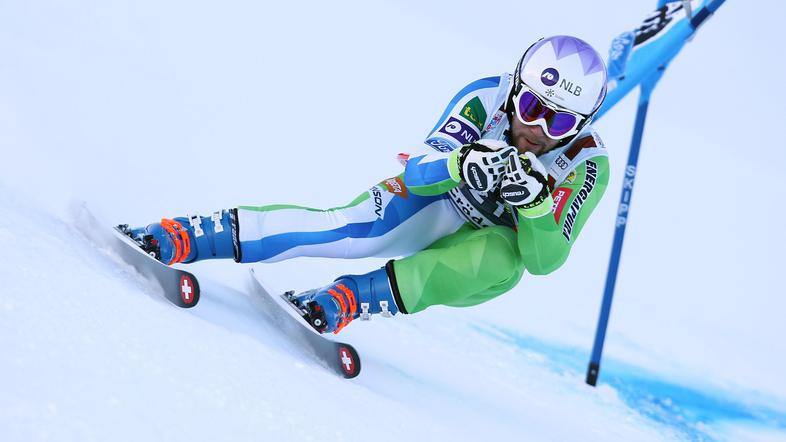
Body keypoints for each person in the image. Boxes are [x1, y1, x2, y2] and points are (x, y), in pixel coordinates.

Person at [128, 35, 611, 334]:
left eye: (559, 123)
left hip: (487, 241)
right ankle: (191, 234)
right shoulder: (488, 94)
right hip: (438, 199)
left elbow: (546, 261)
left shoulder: (587, 164)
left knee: (504, 264)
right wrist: (461, 164)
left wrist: (535, 206)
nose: (537, 132)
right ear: (515, 91)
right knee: (349, 232)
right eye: (530, 109)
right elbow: (419, 172)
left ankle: (350, 299)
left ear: (583, 123)